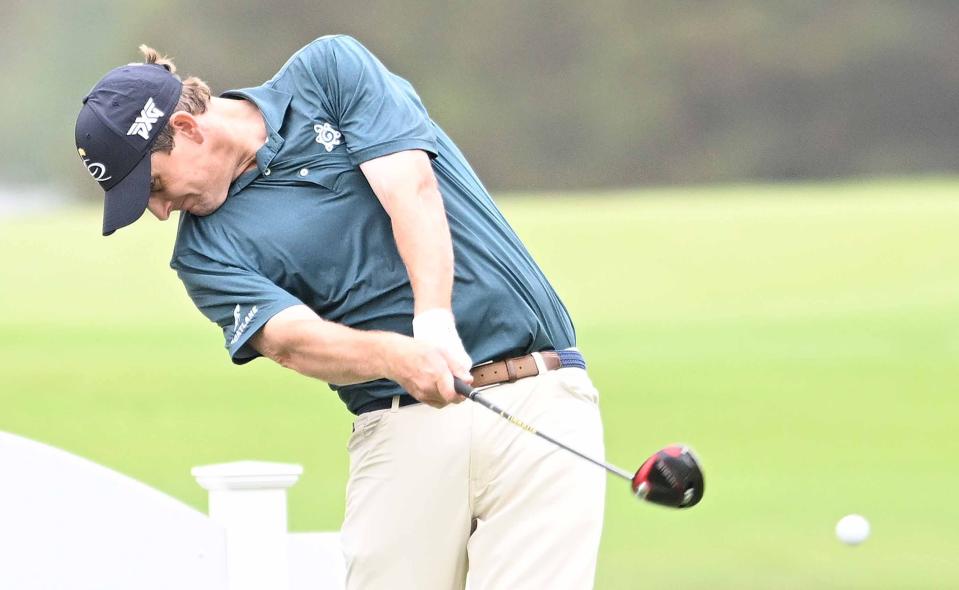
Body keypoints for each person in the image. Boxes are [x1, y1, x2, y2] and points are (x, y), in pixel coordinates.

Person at [74, 35, 605, 590]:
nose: (159, 212)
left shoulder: (328, 73)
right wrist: (398, 355)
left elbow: (411, 189)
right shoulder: (203, 253)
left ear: (185, 130)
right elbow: (290, 342)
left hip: (538, 395)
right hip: (399, 426)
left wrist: (433, 319)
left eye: (154, 185)